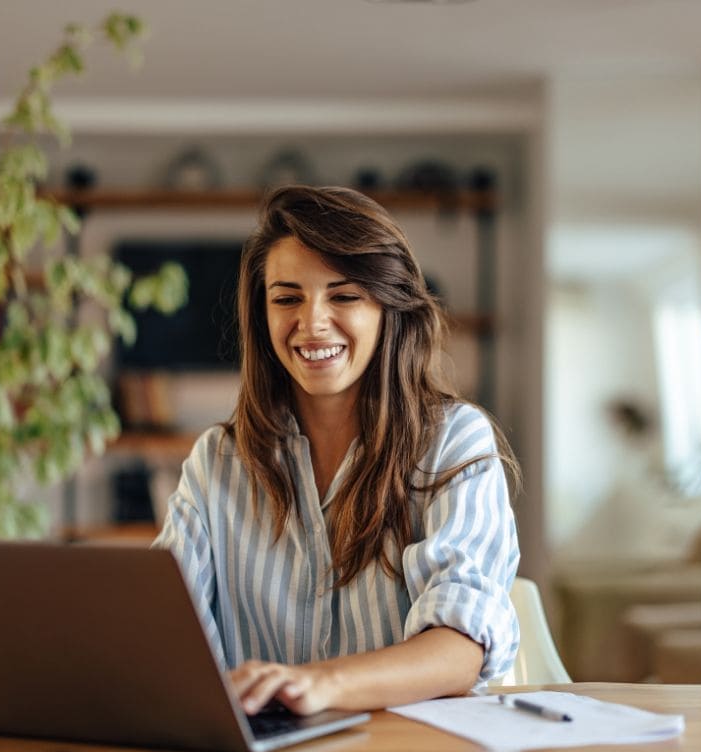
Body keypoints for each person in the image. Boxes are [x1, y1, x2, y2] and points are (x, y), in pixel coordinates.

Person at [153, 185, 520, 717]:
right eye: (287, 298)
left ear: (388, 308)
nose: (312, 322)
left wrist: (319, 684)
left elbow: (461, 646)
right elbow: (167, 632)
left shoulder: (452, 441)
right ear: (262, 314)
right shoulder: (217, 462)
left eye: (344, 296)